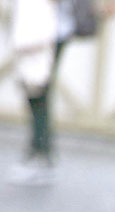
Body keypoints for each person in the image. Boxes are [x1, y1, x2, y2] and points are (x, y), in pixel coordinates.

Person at [7, 0, 75, 185]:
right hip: (43, 38)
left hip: (43, 40)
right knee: (36, 97)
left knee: (39, 97)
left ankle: (42, 153)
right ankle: (38, 151)